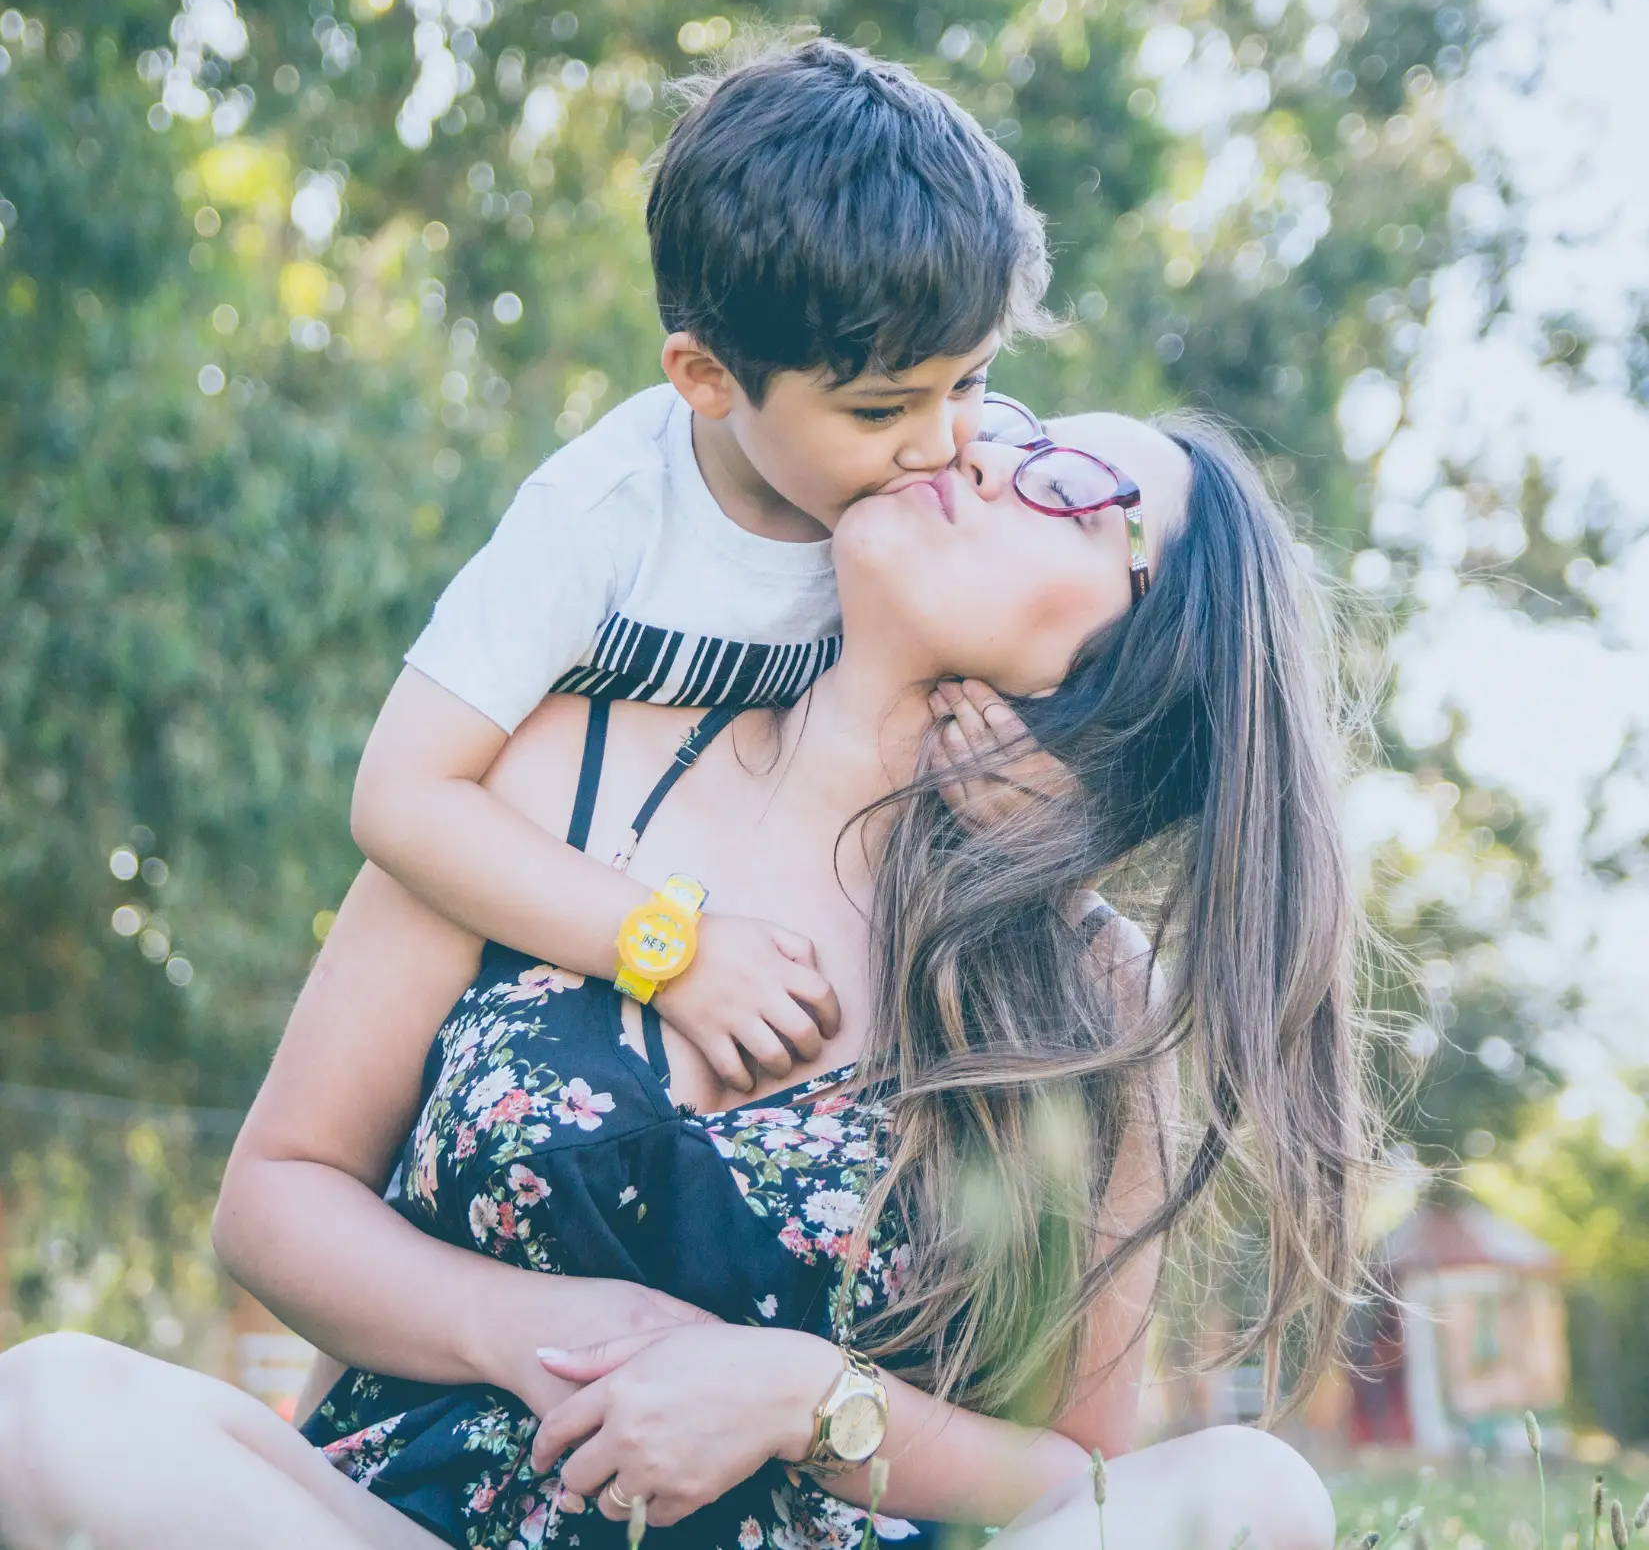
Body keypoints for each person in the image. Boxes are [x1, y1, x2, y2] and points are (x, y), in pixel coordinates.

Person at [0, 401, 1367, 1550]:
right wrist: (524, 1325)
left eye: (1072, 483)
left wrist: (808, 1400)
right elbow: (274, 1197)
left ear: (1139, 662)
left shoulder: (1079, 990)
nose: (975, 447)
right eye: (1011, 421)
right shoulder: (546, 770)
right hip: (402, 1529)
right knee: (47, 1412)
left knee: (1252, 1499)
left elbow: (1068, 1476)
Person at [350, 36, 1052, 1098]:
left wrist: (1049, 782)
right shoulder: (600, 520)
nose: (941, 443)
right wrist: (667, 948)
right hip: (572, 991)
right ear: (707, 376)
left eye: (971, 379)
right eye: (878, 409)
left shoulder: (979, 465)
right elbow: (399, 796)